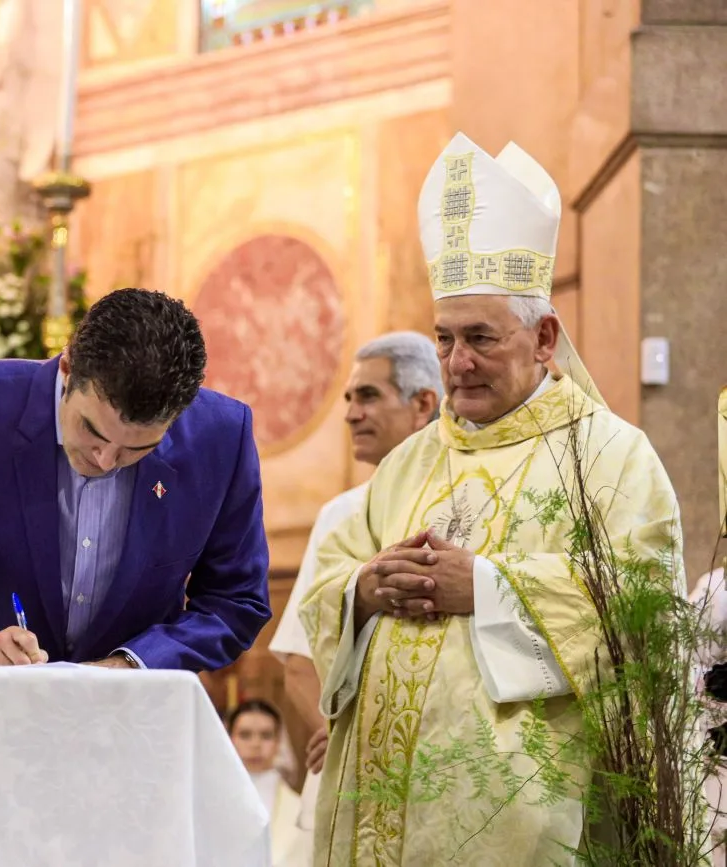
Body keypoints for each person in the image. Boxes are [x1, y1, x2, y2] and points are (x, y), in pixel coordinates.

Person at [300, 133, 683, 864]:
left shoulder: (609, 456)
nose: (456, 362)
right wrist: (362, 589)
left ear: (544, 336)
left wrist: (486, 586)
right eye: (443, 338)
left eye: (480, 337)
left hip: (521, 824)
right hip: (380, 816)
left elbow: (644, 613)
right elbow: (328, 580)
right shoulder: (406, 465)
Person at [0, 287, 270, 669]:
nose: (106, 460)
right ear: (67, 369)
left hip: (132, 722)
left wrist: (133, 666)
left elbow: (236, 600)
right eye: (92, 430)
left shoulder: (221, 436)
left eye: (137, 450)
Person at [267, 332, 441, 861]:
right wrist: (338, 736)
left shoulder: (466, 501)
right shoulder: (340, 515)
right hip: (354, 773)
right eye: (347, 398)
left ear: (423, 405)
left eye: (367, 396)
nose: (349, 413)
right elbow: (299, 661)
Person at [229, 698, 302, 867]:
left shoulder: (298, 809)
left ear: (278, 742)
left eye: (266, 735)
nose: (256, 744)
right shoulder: (211, 801)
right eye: (245, 735)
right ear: (230, 739)